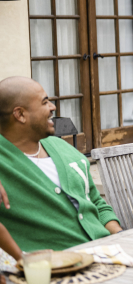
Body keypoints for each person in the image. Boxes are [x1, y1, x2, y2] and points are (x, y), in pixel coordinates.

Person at [0, 76, 122, 251]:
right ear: (20, 115)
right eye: (44, 102)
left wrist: (120, 236)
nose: (53, 107)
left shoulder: (63, 148)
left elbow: (95, 201)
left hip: (105, 252)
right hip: (53, 268)